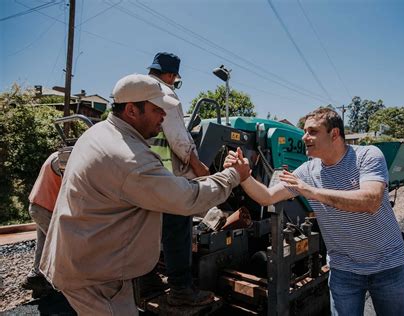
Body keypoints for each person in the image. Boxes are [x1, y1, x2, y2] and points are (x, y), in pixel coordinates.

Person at [40, 74, 250, 316]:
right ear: (131, 110)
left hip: (87, 260)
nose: (164, 116)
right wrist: (234, 176)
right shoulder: (128, 157)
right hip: (97, 278)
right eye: (157, 110)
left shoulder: (99, 132)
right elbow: (186, 199)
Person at [224, 108, 404, 316]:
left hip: (387, 266)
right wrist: (244, 177)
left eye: (312, 131)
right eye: (304, 131)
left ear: (334, 134)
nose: (305, 137)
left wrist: (310, 191)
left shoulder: (367, 156)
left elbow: (370, 201)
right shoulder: (307, 170)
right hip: (344, 271)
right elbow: (267, 197)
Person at [146, 52, 212, 306]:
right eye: (175, 78)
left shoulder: (136, 93)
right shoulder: (165, 94)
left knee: (148, 228)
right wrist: (197, 165)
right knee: (178, 230)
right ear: (171, 76)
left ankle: (147, 278)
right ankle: (181, 289)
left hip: (143, 172)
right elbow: (178, 137)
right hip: (167, 175)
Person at [21, 151, 61, 297]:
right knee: (61, 245)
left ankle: (36, 278)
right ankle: (68, 284)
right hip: (47, 208)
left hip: (38, 204)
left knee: (43, 245)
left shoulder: (55, 156)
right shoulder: (62, 160)